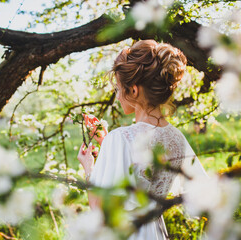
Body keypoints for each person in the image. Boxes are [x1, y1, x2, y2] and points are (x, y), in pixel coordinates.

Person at [77, 40, 207, 239]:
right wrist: (107, 146)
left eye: (119, 89)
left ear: (134, 90)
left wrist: (89, 169)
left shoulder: (120, 138)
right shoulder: (177, 138)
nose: (118, 96)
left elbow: (101, 212)